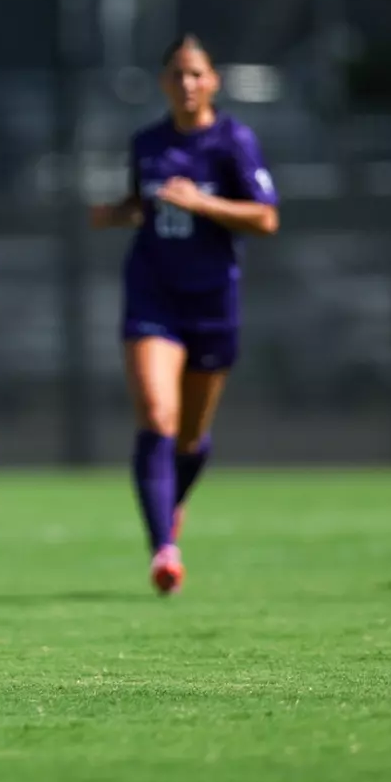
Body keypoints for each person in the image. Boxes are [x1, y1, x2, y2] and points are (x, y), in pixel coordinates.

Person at [90, 35, 279, 595]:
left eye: (196, 73)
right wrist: (116, 212)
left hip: (213, 302)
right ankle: (163, 551)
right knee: (157, 415)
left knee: (191, 438)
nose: (187, 83)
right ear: (163, 82)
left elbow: (266, 218)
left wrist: (203, 202)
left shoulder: (233, 141)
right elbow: (144, 205)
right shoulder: (147, 143)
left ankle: (171, 504)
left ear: (213, 81)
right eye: (177, 73)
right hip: (153, 295)